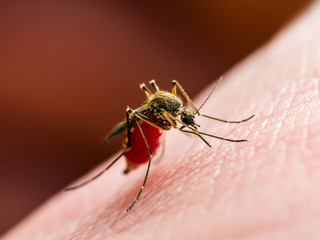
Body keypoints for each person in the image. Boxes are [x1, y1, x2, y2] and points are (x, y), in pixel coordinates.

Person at [3, 2, 320, 239]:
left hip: (160, 112)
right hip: (141, 135)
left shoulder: (176, 102)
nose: (188, 121)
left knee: (164, 97)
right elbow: (151, 110)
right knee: (139, 112)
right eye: (187, 116)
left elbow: (177, 105)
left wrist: (192, 116)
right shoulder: (165, 109)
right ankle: (134, 174)